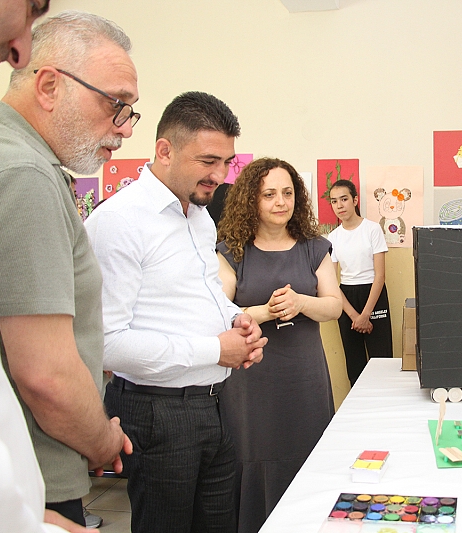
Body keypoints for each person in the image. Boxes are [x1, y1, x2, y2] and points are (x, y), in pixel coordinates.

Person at [0, 10, 137, 527]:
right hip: (27, 483)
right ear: (49, 86)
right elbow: (46, 376)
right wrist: (102, 439)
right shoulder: (21, 174)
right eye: (115, 105)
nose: (123, 129)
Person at [85, 92, 266, 533]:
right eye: (208, 161)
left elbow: (202, 291)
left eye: (226, 162)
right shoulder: (120, 221)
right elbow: (107, 343)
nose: (220, 175)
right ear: (164, 151)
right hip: (156, 412)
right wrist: (215, 350)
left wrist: (235, 320)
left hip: (213, 404)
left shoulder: (199, 216)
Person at [217, 157, 342, 533]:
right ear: (251, 200)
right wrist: (267, 311)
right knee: (255, 454)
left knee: (307, 451)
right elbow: (219, 313)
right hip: (252, 380)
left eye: (287, 193)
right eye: (269, 194)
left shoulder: (314, 248)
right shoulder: (232, 251)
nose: (280, 202)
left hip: (304, 376)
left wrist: (301, 303)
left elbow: (333, 306)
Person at [327, 179, 393, 386]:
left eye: (344, 199)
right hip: (346, 299)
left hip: (373, 295)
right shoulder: (333, 237)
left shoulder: (372, 229)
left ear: (355, 200)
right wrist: (355, 316)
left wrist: (365, 315)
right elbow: (331, 281)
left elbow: (380, 276)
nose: (339, 205)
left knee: (382, 360)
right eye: (334, 201)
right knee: (354, 363)